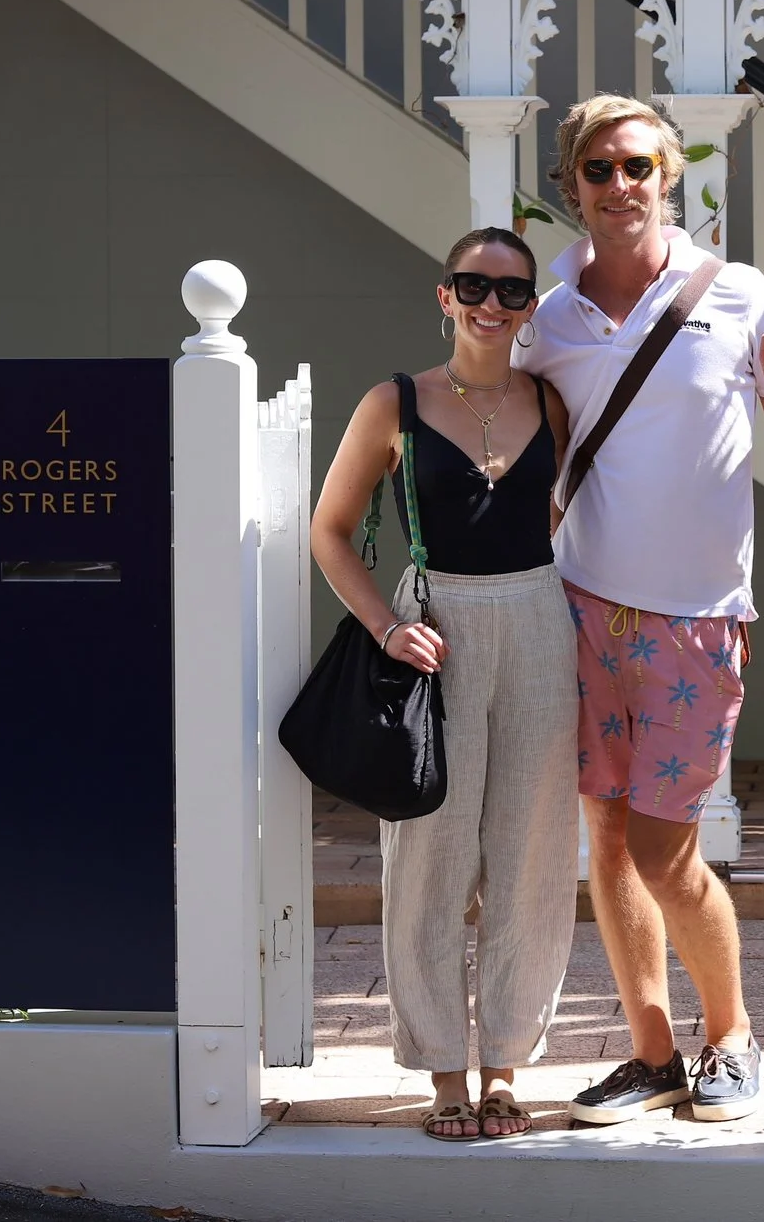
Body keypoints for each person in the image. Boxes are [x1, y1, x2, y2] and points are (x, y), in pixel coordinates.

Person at [516, 94, 764, 1127]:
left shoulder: (741, 294)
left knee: (670, 847)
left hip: (698, 615)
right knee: (611, 841)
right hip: (581, 606)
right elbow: (509, 428)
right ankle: (651, 1052)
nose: (618, 185)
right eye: (597, 169)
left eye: (637, 166)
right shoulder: (548, 318)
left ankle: (732, 1034)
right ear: (571, 184)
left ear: (669, 173)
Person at [310, 226, 578, 1143]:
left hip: (540, 624)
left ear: (529, 308)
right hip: (436, 628)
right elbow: (330, 531)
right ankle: (443, 1075)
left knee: (534, 851)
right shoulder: (396, 402)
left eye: (510, 293)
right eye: (474, 286)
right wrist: (389, 624)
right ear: (444, 294)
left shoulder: (550, 401)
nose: (491, 305)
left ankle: (506, 1066)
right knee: (427, 852)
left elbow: (552, 519)